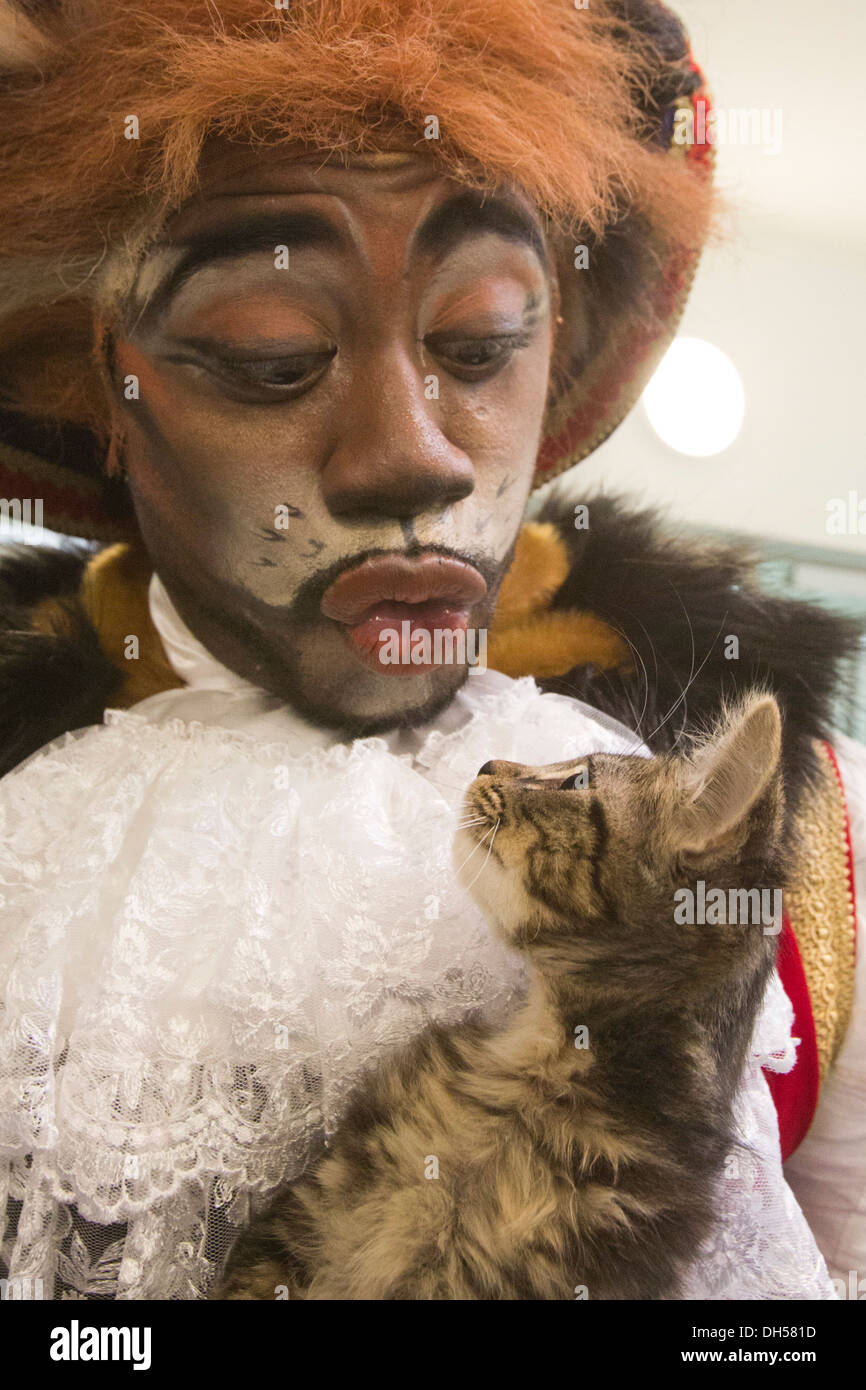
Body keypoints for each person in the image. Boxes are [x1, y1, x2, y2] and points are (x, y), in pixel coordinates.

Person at [0, 0, 862, 1300]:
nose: (415, 452)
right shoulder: (35, 824)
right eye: (271, 356)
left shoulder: (800, 844)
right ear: (106, 387)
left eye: (477, 346)